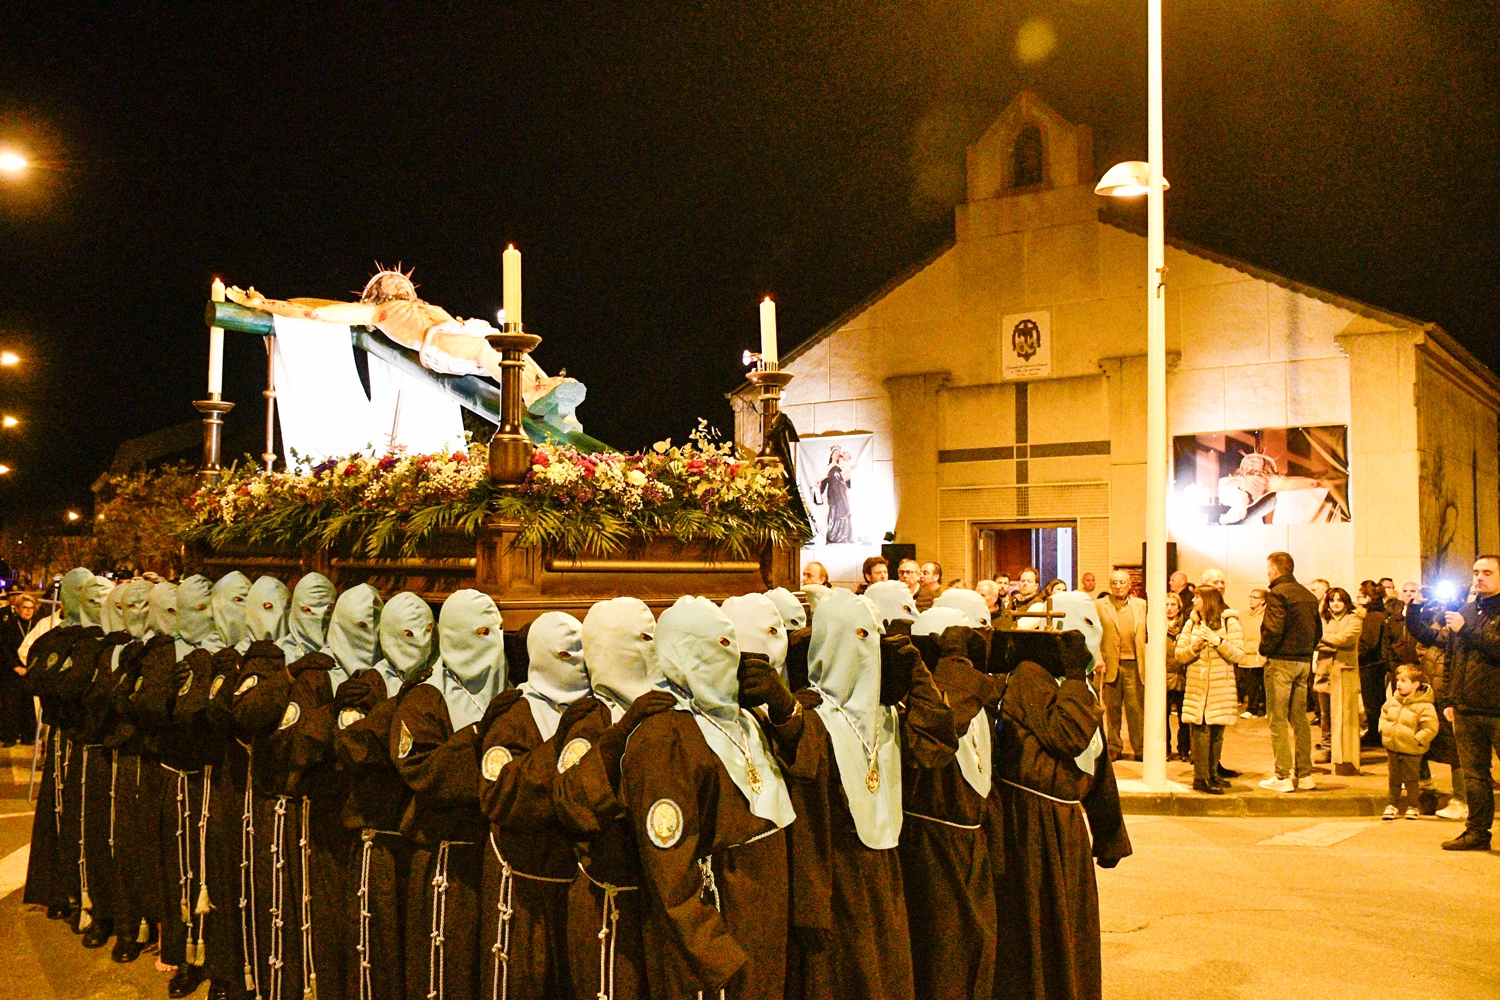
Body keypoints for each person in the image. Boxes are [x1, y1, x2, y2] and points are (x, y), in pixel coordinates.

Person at [619, 596, 801, 999]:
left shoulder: (746, 718)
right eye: (718, 645)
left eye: (732, 643)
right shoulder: (663, 736)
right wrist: (713, 952)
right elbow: (667, 862)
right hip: (721, 919)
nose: (732, 657)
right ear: (683, 655)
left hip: (763, 915)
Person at [993, 598, 1131, 1000]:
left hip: (1065, 827)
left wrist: (1109, 835)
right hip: (1031, 826)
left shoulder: (1078, 686)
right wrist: (1073, 678)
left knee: (1071, 929)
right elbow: (1067, 735)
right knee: (1036, 930)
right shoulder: (1030, 676)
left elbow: (1097, 765)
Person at [478, 611, 592, 1000]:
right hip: (527, 887)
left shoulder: (597, 708)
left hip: (578, 885)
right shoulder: (515, 714)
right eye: (566, 655)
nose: (578, 664)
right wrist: (561, 744)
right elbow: (502, 797)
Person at [1407, 556, 1500, 851]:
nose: (1479, 577)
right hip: (1466, 708)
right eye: (1476, 572)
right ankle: (1477, 832)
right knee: (1474, 777)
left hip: (1497, 708)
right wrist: (1449, 698)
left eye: (1487, 572)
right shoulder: (1467, 612)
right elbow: (1451, 657)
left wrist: (1466, 630)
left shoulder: (1467, 621)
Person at [1258, 552, 1322, 793]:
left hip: (1281, 662)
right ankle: (1305, 775)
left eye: (1268, 569)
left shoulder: (1278, 594)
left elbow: (1273, 629)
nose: (1267, 573)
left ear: (1275, 570)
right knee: (1300, 719)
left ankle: (1282, 776)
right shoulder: (1308, 596)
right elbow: (1317, 632)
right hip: (1303, 662)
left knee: (1277, 719)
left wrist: (1264, 650)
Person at [1175, 586, 1245, 794]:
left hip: (1220, 687)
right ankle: (1201, 777)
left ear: (1209, 600)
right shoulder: (1191, 622)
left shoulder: (1229, 622)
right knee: (1201, 732)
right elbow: (1179, 654)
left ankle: (1213, 774)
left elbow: (1239, 655)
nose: (1193, 600)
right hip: (1197, 688)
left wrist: (1218, 642)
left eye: (1197, 597)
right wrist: (1194, 648)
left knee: (1217, 733)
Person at [1095, 570, 1147, 762]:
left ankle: (1140, 748)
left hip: (1135, 664)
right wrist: (1098, 658)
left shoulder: (1141, 605)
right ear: (1110, 585)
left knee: (1136, 709)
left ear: (1129, 584)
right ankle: (1114, 747)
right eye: (1115, 583)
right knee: (1112, 710)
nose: (1118, 586)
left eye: (1122, 582)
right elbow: (1094, 634)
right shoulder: (1099, 605)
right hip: (1110, 664)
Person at [1379, 664, 1439, 820]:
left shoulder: (1425, 706)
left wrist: (1417, 740)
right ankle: (1392, 805)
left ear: (1416, 684)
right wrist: (1383, 729)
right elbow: (1384, 714)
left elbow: (1430, 727)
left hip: (1411, 749)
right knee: (1394, 778)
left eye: (1403, 681)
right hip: (1393, 747)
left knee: (1412, 780)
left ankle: (1413, 806)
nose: (1398, 684)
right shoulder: (1393, 701)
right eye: (1398, 680)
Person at [1317, 587, 1363, 776]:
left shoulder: (1354, 619)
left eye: (1339, 600)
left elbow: (1346, 639)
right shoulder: (1323, 619)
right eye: (1332, 600)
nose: (1335, 603)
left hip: (1345, 673)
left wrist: (1323, 641)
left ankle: (1345, 751)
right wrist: (1330, 643)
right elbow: (1313, 639)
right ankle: (1327, 749)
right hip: (1324, 671)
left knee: (1345, 715)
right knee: (1325, 715)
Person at [1355, 580, 1392, 749]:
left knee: (1372, 701)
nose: (1357, 599)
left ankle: (1374, 734)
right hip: (1375, 664)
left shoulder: (1372, 616)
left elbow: (1369, 643)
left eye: (1360, 596)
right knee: (1375, 700)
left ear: (1368, 598)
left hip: (1371, 665)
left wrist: (1355, 655)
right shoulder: (1379, 614)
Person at [0, 591, 36, 744]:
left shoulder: (36, 625)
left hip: (30, 670)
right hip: (11, 671)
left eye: (31, 608)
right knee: (11, 704)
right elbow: (4, 648)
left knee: (28, 704)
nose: (28, 611)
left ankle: (28, 736)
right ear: (18, 608)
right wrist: (15, 666)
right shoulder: (9, 625)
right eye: (25, 608)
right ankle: (9, 736)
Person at [1163, 591, 1190, 762]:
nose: (1169, 608)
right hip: (1163, 678)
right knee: (1162, 718)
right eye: (1166, 604)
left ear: (1179, 607)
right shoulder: (1155, 626)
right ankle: (1164, 749)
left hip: (1182, 677)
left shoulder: (1187, 627)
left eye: (1173, 604)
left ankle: (1184, 750)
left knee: (1184, 717)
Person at [1238, 588, 1267, 718]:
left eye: (1255, 597)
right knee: (1251, 684)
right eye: (1250, 596)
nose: (1251, 599)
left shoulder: (1266, 615)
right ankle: (1252, 708)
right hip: (1247, 654)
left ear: (1263, 601)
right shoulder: (1243, 616)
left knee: (1264, 683)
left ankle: (1266, 708)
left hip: (1261, 654)